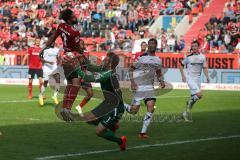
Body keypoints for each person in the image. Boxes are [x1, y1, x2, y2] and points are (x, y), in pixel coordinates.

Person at [76, 52, 126, 151]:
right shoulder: (104, 70)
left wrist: (77, 68)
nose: (103, 60)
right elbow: (90, 67)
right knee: (87, 119)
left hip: (115, 107)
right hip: (107, 104)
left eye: (105, 60)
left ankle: (121, 141)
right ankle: (112, 124)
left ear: (110, 64)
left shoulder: (108, 74)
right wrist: (81, 58)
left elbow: (87, 78)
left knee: (99, 131)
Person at [40, 9, 83, 120]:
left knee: (70, 83)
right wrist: (82, 53)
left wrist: (43, 48)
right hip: (73, 57)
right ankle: (67, 109)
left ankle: (65, 108)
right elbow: (78, 48)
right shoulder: (75, 32)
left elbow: (52, 38)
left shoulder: (61, 26)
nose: (75, 17)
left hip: (65, 58)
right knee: (77, 83)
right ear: (69, 18)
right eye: (73, 16)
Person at [124, 38, 165, 138]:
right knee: (134, 111)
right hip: (139, 86)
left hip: (149, 87)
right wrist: (133, 83)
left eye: (153, 44)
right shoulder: (141, 57)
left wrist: (161, 81)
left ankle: (142, 133)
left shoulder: (158, 60)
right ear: (148, 45)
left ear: (156, 46)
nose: (151, 45)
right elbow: (130, 69)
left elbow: (158, 72)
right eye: (150, 44)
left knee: (151, 107)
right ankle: (121, 104)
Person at [178, 40, 210, 121]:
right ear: (191, 48)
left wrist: (207, 77)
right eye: (192, 46)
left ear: (198, 47)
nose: (194, 48)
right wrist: (183, 76)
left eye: (195, 46)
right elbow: (180, 65)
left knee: (195, 98)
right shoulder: (188, 57)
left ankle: (185, 113)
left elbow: (205, 67)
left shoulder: (202, 57)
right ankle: (188, 103)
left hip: (198, 79)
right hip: (190, 78)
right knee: (199, 95)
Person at [22, 38, 43, 105]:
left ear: (40, 42)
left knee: (41, 81)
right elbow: (27, 55)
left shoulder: (41, 49)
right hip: (31, 68)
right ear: (35, 42)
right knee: (30, 81)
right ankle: (30, 94)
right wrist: (23, 61)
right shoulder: (31, 48)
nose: (38, 42)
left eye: (39, 41)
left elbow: (43, 58)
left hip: (39, 67)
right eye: (37, 41)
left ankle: (41, 94)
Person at [75, 39, 93, 116]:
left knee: (90, 94)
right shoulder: (76, 54)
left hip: (85, 76)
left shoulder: (85, 53)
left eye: (83, 43)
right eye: (81, 44)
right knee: (73, 93)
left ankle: (79, 107)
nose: (82, 45)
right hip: (78, 77)